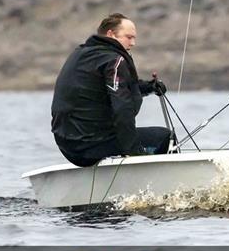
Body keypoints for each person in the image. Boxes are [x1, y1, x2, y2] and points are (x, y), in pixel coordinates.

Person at [51, 13, 171, 167]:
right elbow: (122, 107)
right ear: (110, 34)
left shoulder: (81, 54)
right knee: (164, 137)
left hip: (68, 146)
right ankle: (157, 185)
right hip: (90, 145)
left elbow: (105, 90)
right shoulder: (114, 60)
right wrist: (134, 151)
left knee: (125, 135)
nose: (133, 43)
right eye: (129, 37)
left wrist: (150, 87)